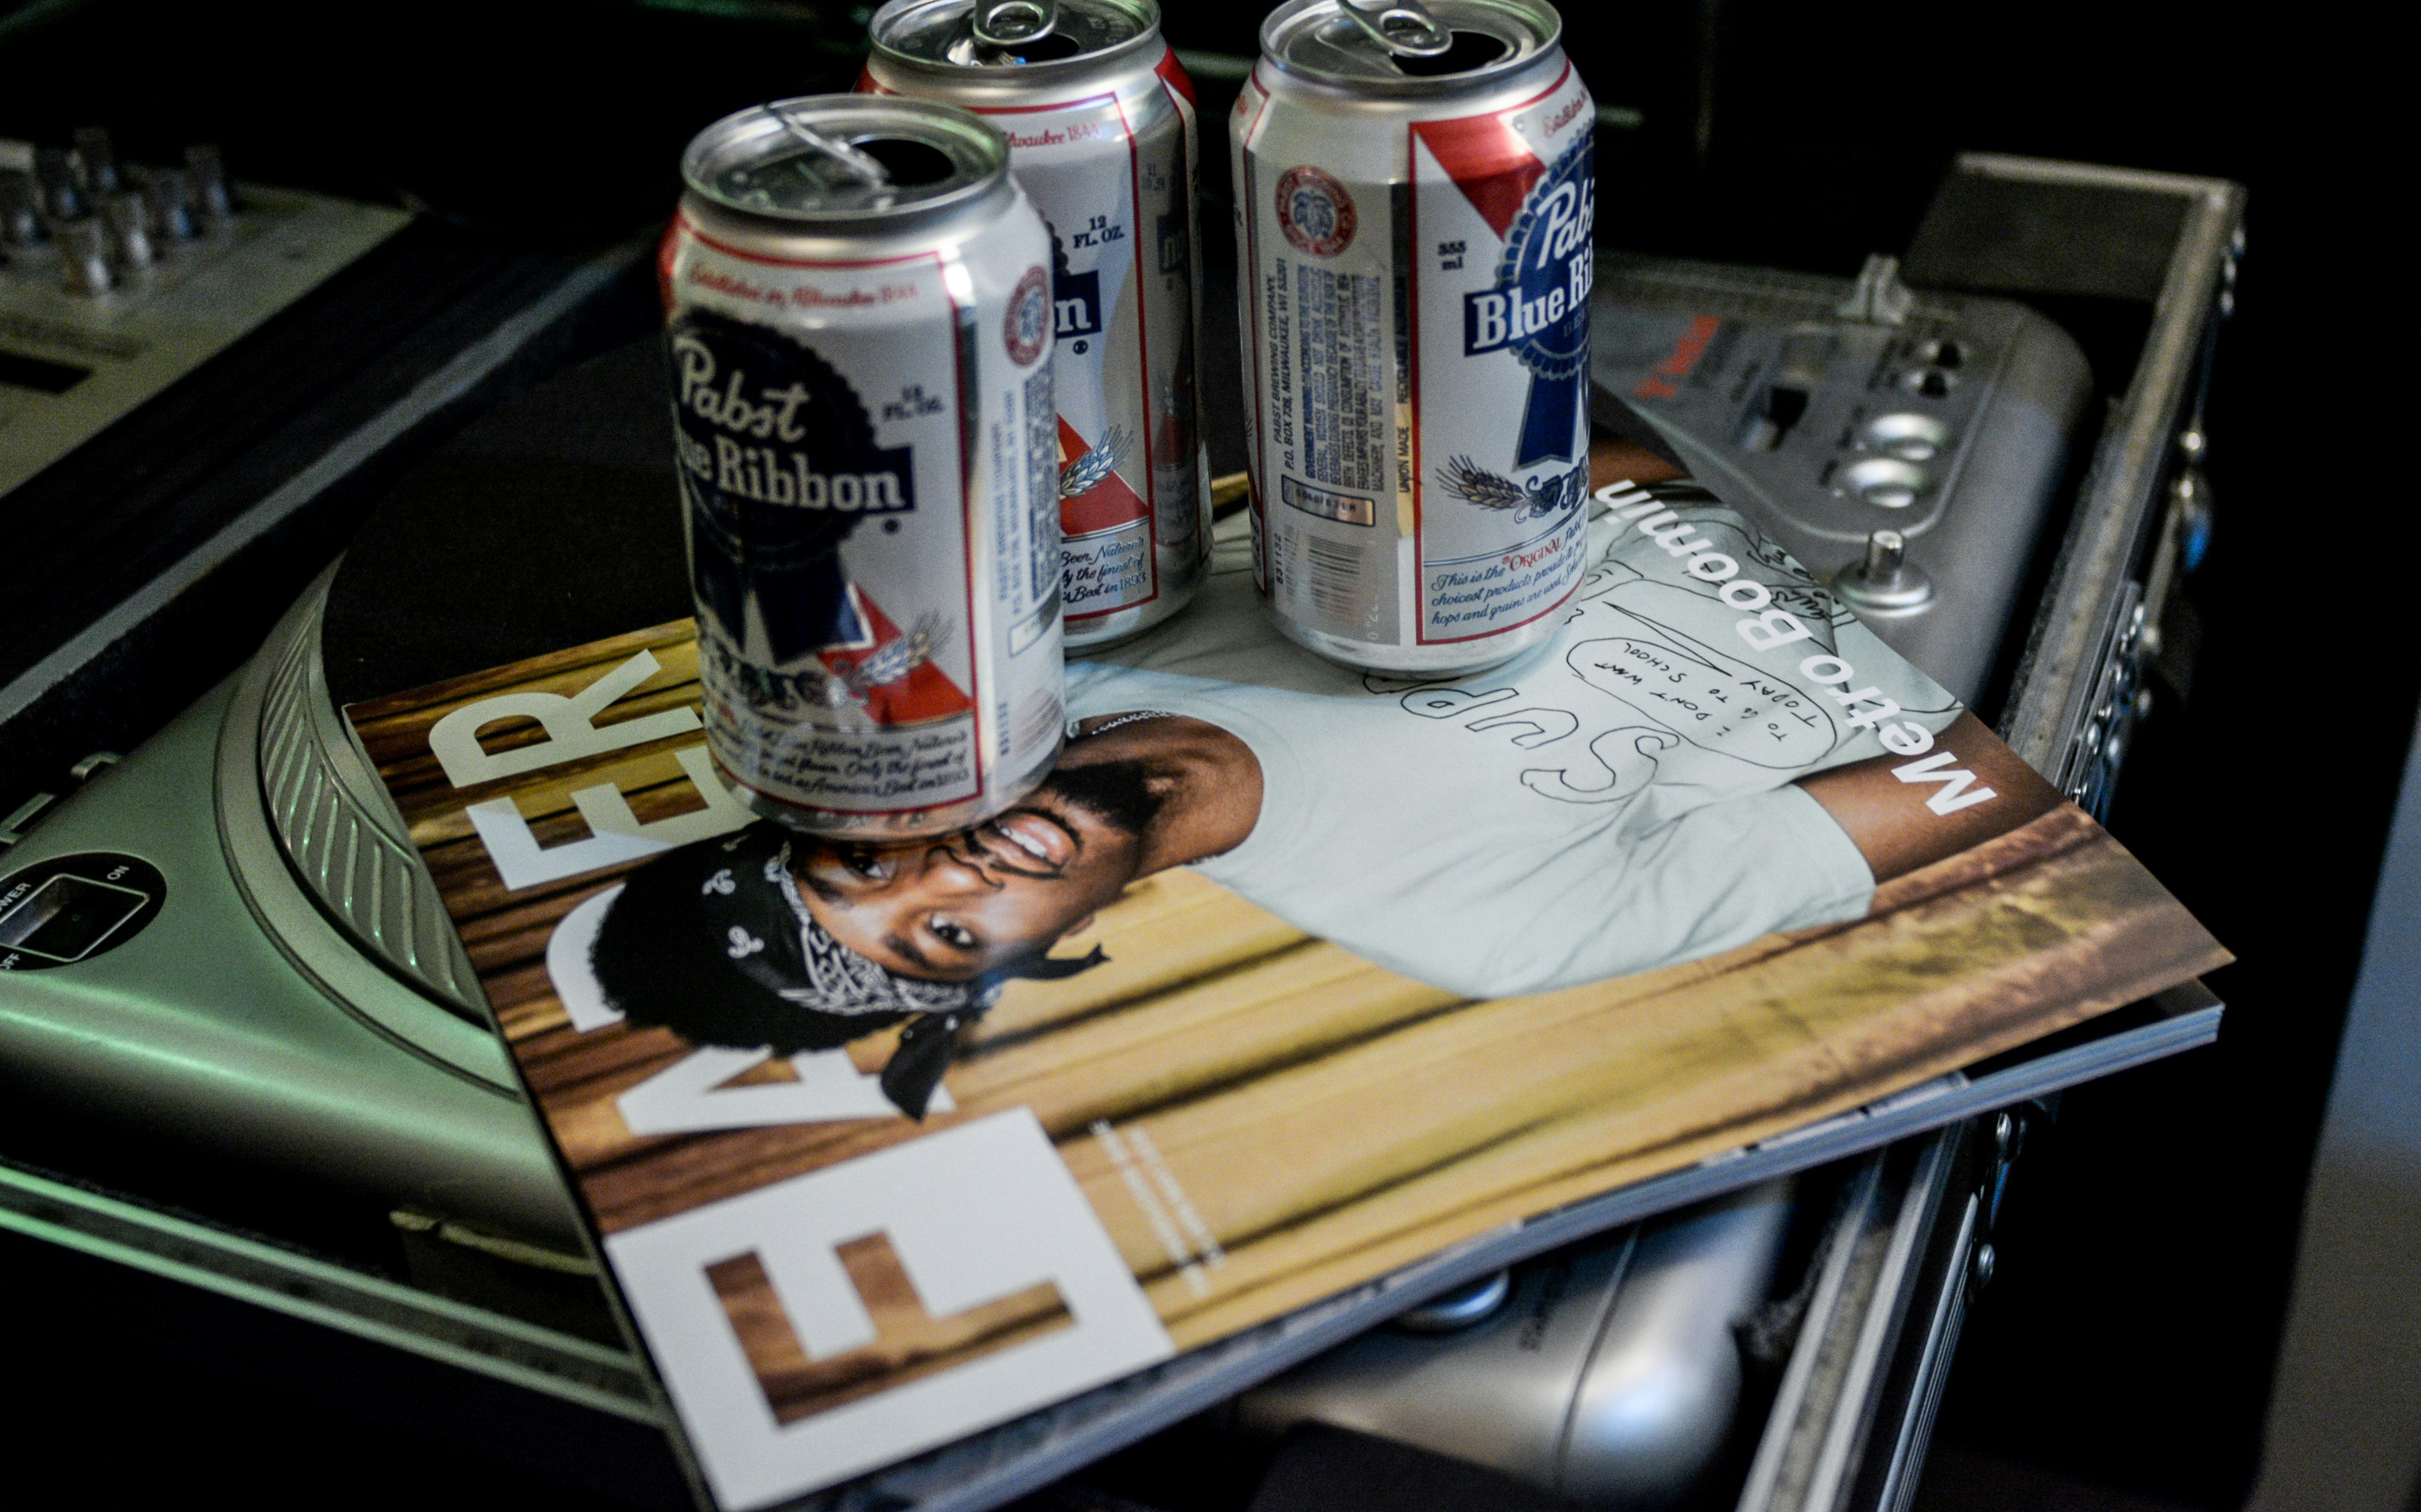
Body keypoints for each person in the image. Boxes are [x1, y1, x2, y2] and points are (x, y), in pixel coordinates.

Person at [592, 435, 2060, 1114]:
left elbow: (1587, 460)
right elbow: (1961, 790)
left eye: (864, 868)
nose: (953, 878)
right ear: (1020, 967)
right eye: (944, 941)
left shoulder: (1085, 638)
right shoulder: (1474, 934)